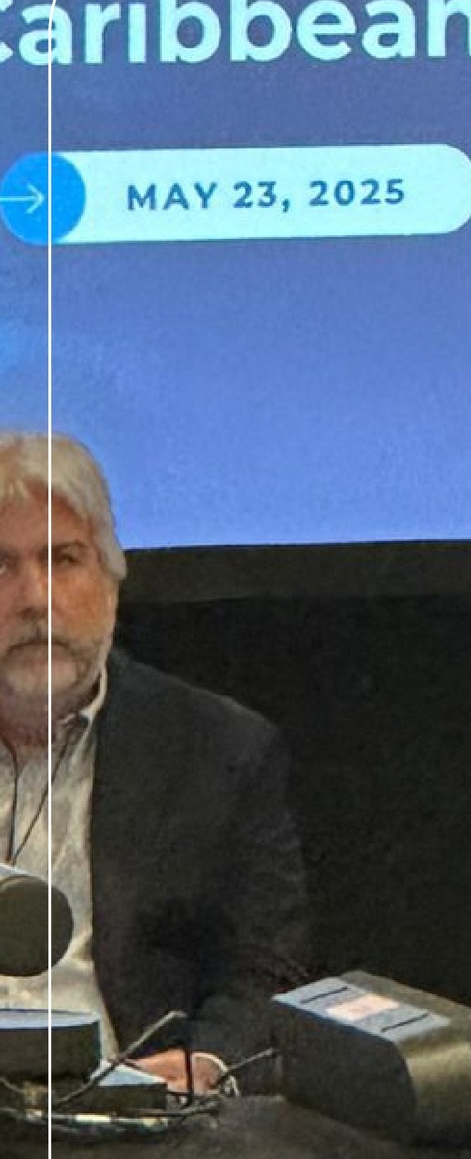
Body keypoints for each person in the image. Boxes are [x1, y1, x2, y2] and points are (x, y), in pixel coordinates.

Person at [0, 430, 308, 1091]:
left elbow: (264, 973)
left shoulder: (217, 751)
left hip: (126, 1113)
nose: (34, 598)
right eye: (1, 567)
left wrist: (207, 1063)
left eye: (63, 560)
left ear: (111, 580)